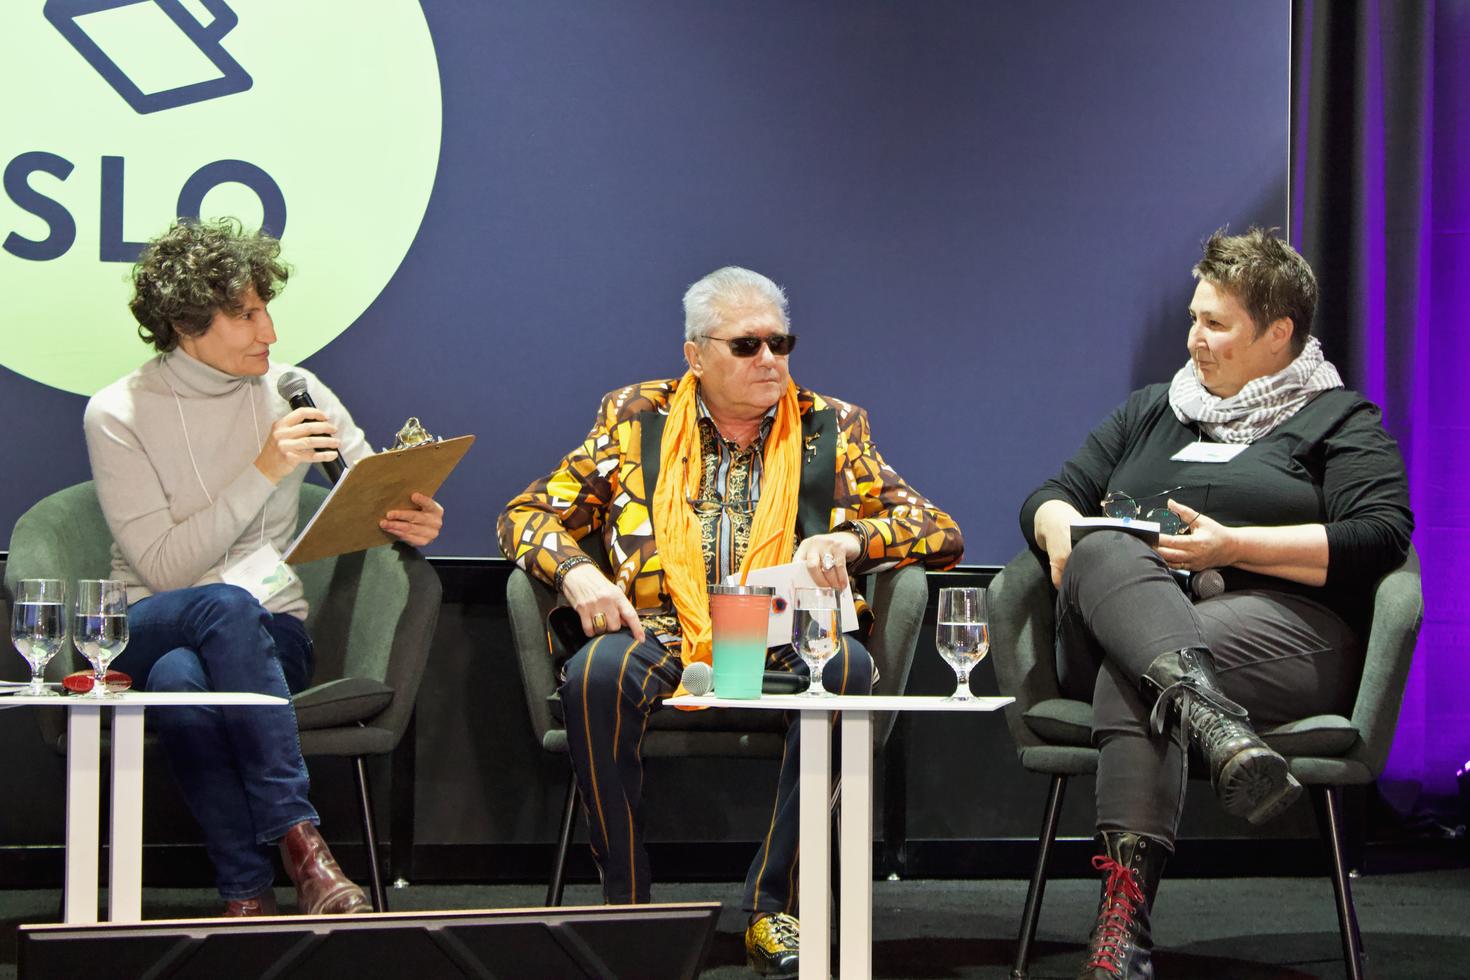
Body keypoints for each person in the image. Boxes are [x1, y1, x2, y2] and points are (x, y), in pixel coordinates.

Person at [499, 266, 962, 978]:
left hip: (787, 632)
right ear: (696, 355)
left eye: (781, 342)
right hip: (659, 629)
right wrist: (576, 570)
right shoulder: (632, 418)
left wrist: (851, 541)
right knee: (594, 673)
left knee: (850, 669)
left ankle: (772, 906)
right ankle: (628, 910)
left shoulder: (830, 427)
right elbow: (524, 515)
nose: (770, 360)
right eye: (746, 346)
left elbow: (937, 529)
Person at [1020, 229, 1413, 979]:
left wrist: (1236, 548)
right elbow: (1051, 495)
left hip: (1280, 636)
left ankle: (1122, 929)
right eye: (1193, 319)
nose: (1195, 339)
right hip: (1122, 613)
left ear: (1278, 333)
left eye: (1216, 324)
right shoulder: (1152, 409)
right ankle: (1211, 719)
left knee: (1135, 676)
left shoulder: (1338, 422)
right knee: (1103, 544)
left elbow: (1379, 536)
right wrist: (1057, 527)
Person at [83, 218, 446, 917]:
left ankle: (246, 896)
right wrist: (266, 468)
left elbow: (364, 488)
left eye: (266, 309)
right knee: (215, 609)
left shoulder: (293, 388)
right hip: (150, 619)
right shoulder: (118, 413)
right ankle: (301, 841)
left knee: (183, 680)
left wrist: (410, 517)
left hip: (266, 634)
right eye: (246, 314)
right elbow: (164, 571)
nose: (270, 332)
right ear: (188, 322)